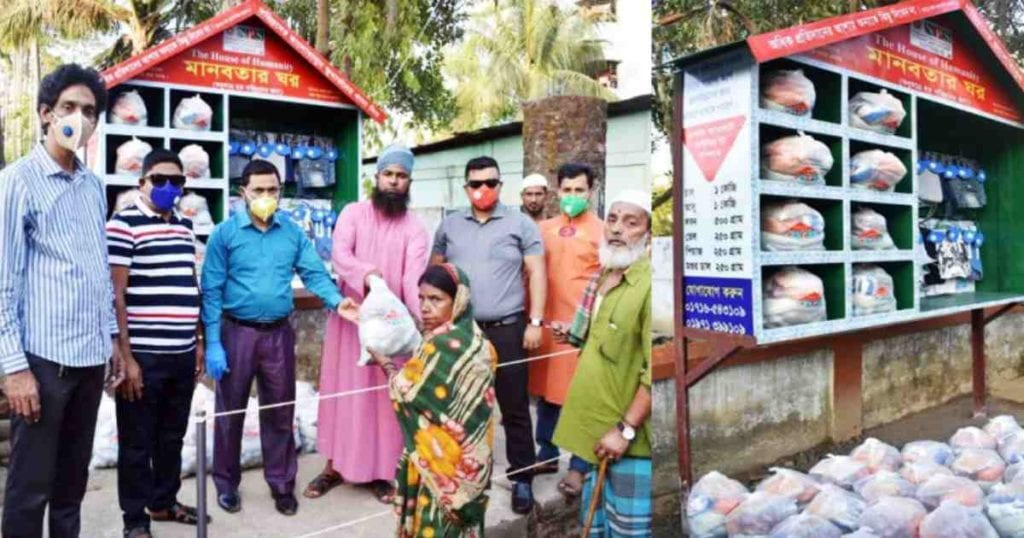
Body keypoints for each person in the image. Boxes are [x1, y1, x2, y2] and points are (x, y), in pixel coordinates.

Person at [0, 63, 123, 537]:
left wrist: (111, 337)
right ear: (46, 114)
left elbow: (95, 269)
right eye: (69, 108)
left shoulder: (92, 187)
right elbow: (3, 282)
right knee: (30, 489)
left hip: (89, 361)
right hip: (43, 364)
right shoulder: (18, 182)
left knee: (72, 486)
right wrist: (15, 368)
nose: (80, 118)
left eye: (90, 111)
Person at [201, 160, 358, 516]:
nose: (267, 197)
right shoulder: (224, 235)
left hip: (277, 336)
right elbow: (211, 290)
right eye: (259, 190)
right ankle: (226, 484)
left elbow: (315, 275)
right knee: (230, 413)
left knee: (279, 413)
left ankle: (282, 484)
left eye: (273, 190)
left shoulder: (292, 233)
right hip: (236, 332)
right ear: (243, 193)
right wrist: (212, 340)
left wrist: (337, 301)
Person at [305, 143, 429, 503]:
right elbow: (341, 257)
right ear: (376, 178)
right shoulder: (353, 214)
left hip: (392, 329)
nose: (393, 181)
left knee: (384, 398)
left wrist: (418, 323)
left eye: (401, 176)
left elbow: (413, 277)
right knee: (344, 393)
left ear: (409, 182)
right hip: (351, 320)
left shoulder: (415, 228)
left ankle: (381, 471)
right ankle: (334, 466)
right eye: (388, 174)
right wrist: (370, 276)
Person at [430, 156, 546, 513]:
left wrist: (536, 322)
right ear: (466, 187)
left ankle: (522, 477)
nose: (483, 190)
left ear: (500, 185)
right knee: (458, 406)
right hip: (462, 330)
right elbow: (435, 276)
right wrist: (434, 322)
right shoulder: (449, 225)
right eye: (475, 184)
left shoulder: (520, 224)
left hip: (508, 329)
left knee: (514, 407)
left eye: (490, 183)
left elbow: (538, 273)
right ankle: (461, 476)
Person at [107, 149, 208, 538]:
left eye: (177, 181)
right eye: (160, 180)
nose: (169, 187)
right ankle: (135, 521)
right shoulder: (122, 225)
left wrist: (197, 341)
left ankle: (164, 501)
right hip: (143, 357)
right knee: (136, 444)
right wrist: (127, 359)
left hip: (182, 354)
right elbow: (116, 295)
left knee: (172, 437)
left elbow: (189, 284)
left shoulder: (185, 227)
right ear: (142, 182)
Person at [366, 264, 496, 537]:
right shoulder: (481, 344)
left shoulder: (438, 346)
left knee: (434, 525)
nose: (425, 307)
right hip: (472, 469)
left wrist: (386, 364)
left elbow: (404, 389)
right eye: (422, 298)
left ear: (458, 300)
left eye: (436, 299)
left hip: (440, 468)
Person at [552, 190, 653, 537]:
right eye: (612, 219)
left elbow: (655, 371)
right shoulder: (602, 276)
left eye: (631, 222)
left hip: (626, 439)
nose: (617, 229)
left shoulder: (650, 287)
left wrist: (625, 430)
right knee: (596, 527)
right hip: (593, 433)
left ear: (648, 234)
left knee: (626, 530)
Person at [528, 163, 603, 498]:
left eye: (579, 190)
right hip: (544, 325)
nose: (572, 196)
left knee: (579, 396)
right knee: (546, 393)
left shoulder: (603, 232)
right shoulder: (541, 229)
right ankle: (546, 452)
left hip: (579, 329)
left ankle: (580, 465)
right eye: (567, 190)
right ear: (557, 192)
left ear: (591, 191)